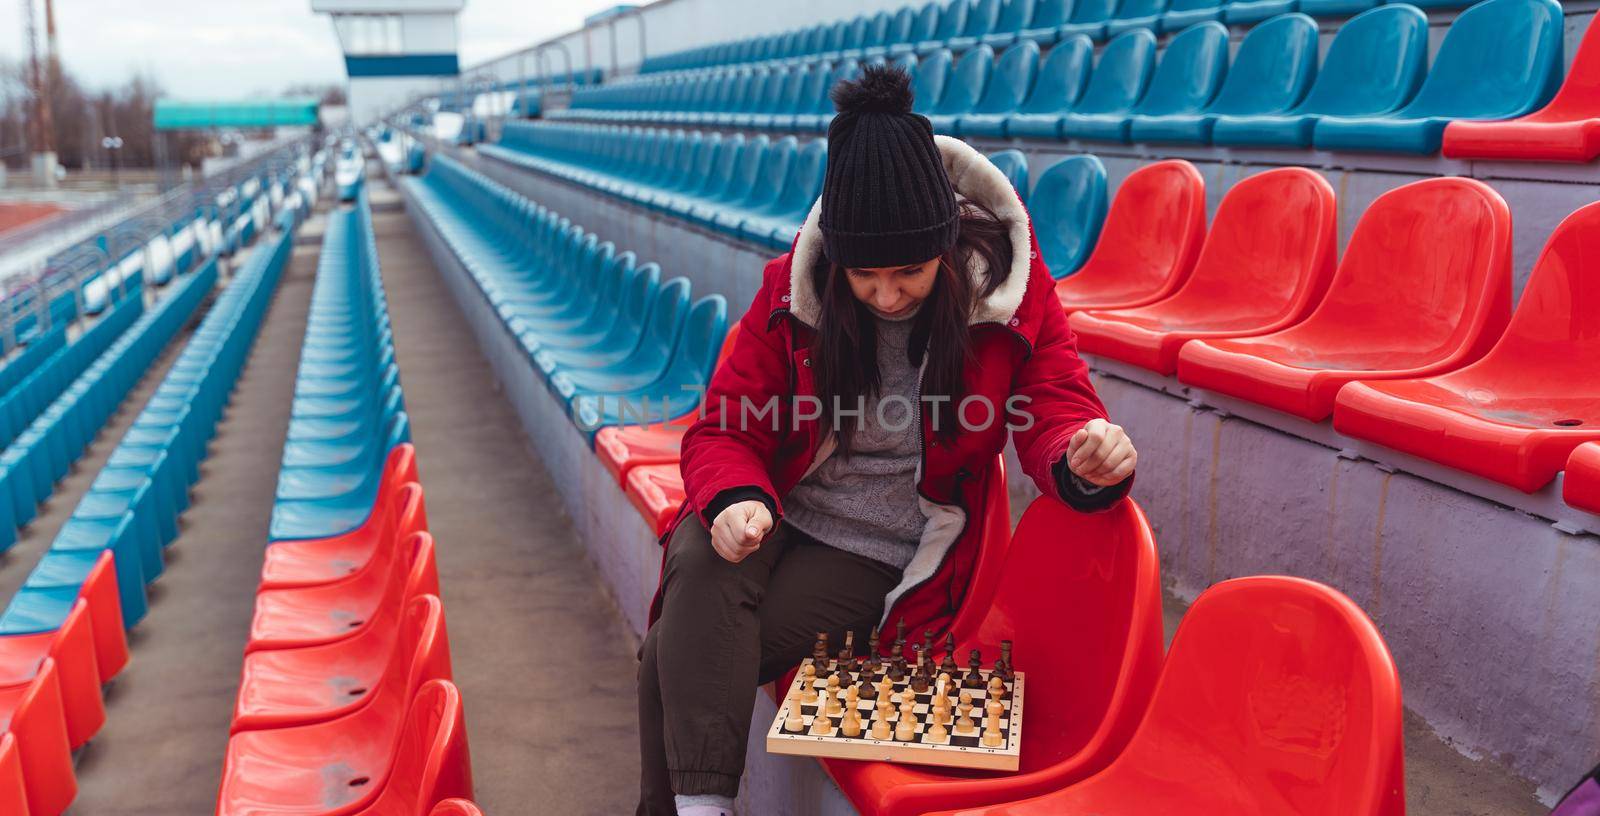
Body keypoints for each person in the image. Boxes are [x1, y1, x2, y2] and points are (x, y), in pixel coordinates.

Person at [636, 65, 1138, 816]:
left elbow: (1056, 402)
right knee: (707, 548)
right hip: (775, 513)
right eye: (864, 275)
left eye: (909, 271)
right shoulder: (790, 290)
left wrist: (1084, 455)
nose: (887, 294)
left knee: (671, 654)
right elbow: (724, 427)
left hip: (875, 551)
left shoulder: (1009, 292)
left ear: (945, 243)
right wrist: (738, 497)